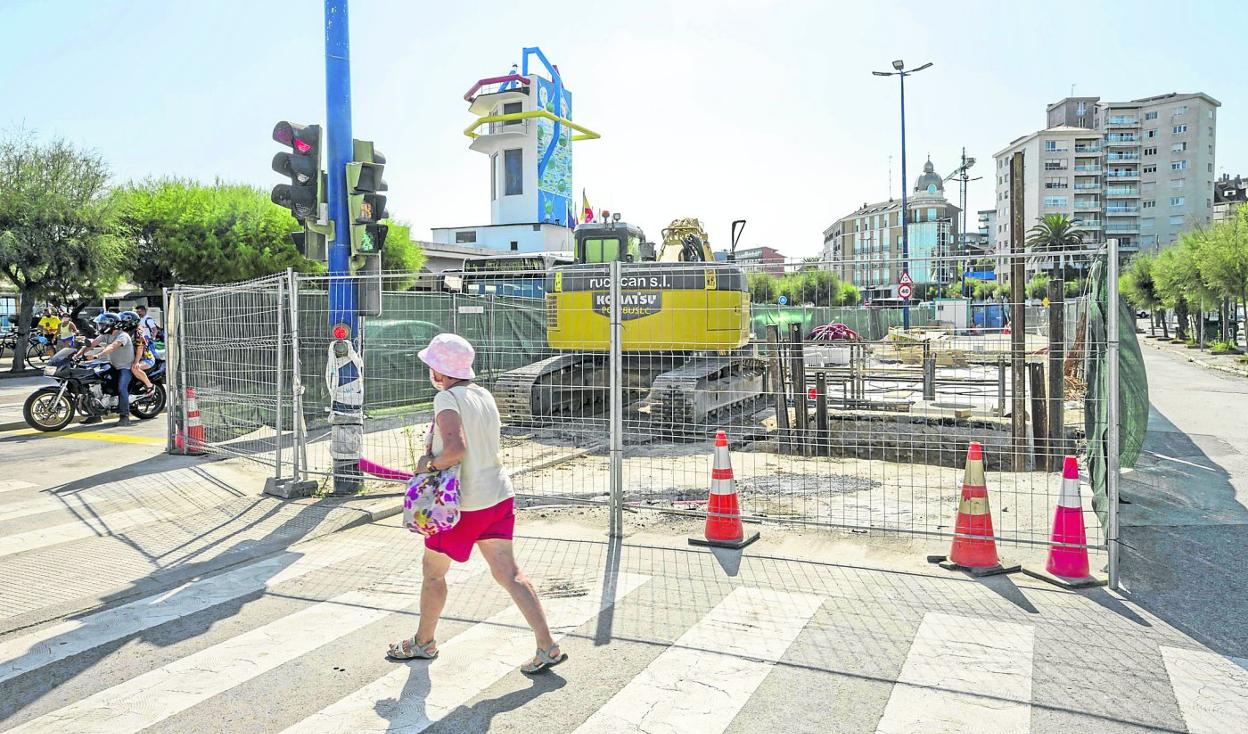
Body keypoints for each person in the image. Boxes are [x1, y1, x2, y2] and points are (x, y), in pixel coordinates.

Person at [387, 333, 566, 674]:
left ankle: (423, 643)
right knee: (510, 573)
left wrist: (428, 465)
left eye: (432, 366)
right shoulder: (483, 394)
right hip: (497, 495)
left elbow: (455, 450)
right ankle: (548, 646)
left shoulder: (447, 400)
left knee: (433, 574)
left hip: (461, 506)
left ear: (440, 370)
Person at [96, 312, 137, 427]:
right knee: (97, 379)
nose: (101, 327)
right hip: (113, 365)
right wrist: (77, 354)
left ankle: (125, 417)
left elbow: (113, 346)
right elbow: (93, 343)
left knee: (121, 388)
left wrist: (98, 355)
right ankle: (94, 414)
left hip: (125, 367)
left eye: (102, 324)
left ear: (111, 325)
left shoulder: (123, 335)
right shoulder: (106, 335)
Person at [128, 311, 156, 396]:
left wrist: (136, 362)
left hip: (147, 359)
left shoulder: (138, 334)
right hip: (138, 358)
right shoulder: (130, 332)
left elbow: (140, 349)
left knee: (134, 368)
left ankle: (150, 386)